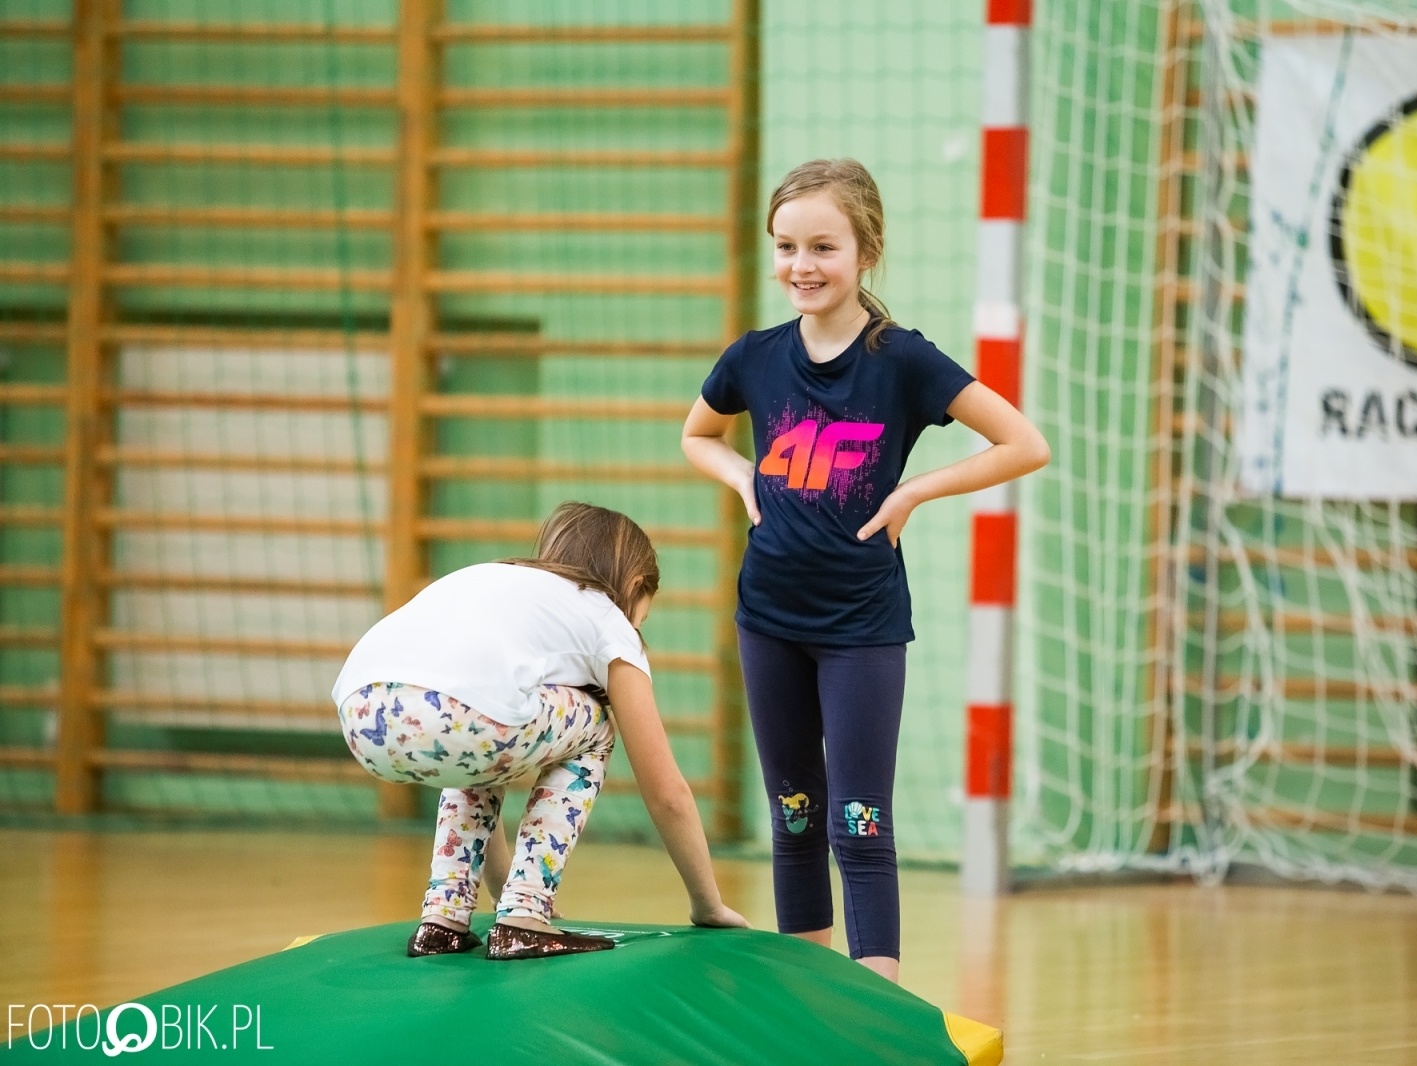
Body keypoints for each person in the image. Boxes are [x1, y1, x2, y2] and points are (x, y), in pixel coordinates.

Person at [681, 158, 1049, 984]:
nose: (801, 266)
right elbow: (698, 435)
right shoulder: (755, 357)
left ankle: (872, 1009)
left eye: (823, 247)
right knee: (795, 815)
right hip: (767, 617)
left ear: (865, 252)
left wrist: (915, 489)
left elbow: (1024, 443)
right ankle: (813, 1005)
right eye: (786, 247)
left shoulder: (903, 361)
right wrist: (742, 476)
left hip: (860, 628)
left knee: (858, 821)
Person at [332, 501, 748, 960]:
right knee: (597, 724)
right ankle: (526, 914)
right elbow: (666, 790)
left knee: (478, 737)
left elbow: (474, 764)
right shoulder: (605, 616)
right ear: (633, 587)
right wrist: (708, 904)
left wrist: (500, 888)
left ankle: (442, 918)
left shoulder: (496, 578)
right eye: (641, 617)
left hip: (360, 713)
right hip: (459, 716)